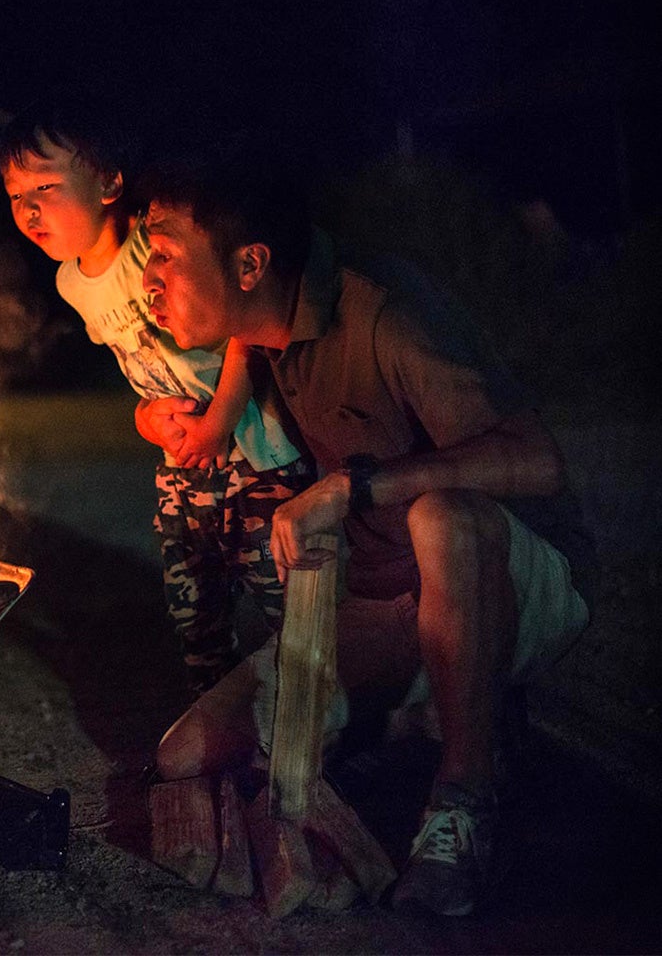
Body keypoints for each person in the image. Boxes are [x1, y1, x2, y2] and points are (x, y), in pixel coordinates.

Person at [135, 148, 597, 917]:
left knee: (440, 516)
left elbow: (537, 459)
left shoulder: (385, 312)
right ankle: (434, 710)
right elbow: (239, 354)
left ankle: (464, 801)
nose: (148, 277)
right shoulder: (265, 328)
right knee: (184, 755)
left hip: (516, 580)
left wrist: (352, 487)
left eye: (167, 256)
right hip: (391, 608)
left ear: (250, 265)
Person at [0, 98, 316, 696]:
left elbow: (243, 326)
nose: (30, 206)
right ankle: (212, 714)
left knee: (288, 607)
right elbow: (139, 367)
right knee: (193, 608)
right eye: (17, 194)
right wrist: (146, 419)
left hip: (259, 459)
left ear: (109, 182)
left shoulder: (156, 243)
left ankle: (313, 726)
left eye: (46, 185)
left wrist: (221, 417)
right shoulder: (72, 282)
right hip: (183, 469)